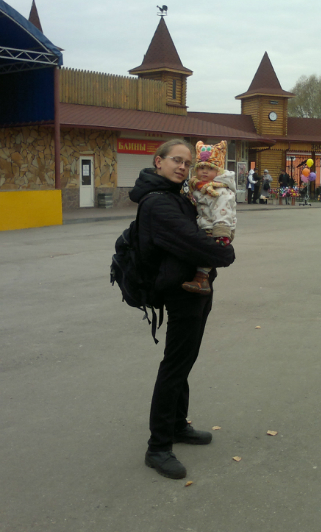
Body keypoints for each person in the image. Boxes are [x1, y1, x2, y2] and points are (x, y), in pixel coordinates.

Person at [129, 139, 235, 480]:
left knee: (184, 361)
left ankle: (177, 424)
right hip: (181, 293)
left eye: (187, 163)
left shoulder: (178, 195)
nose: (183, 167)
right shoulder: (159, 203)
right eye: (177, 160)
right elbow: (192, 241)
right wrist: (224, 253)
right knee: (175, 366)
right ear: (158, 162)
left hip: (195, 290)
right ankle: (158, 447)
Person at [182, 140, 236, 295]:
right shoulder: (200, 186)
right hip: (205, 224)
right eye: (201, 168)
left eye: (210, 168)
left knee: (207, 253)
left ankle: (201, 280)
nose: (204, 172)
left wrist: (221, 233)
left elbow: (223, 211)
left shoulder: (220, 191)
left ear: (218, 171)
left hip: (218, 228)